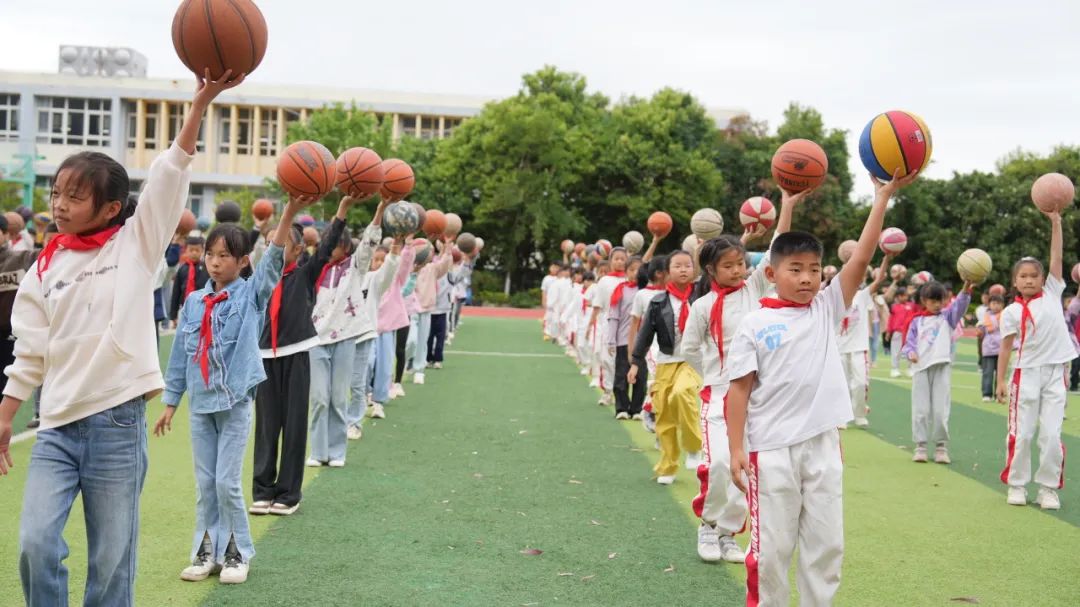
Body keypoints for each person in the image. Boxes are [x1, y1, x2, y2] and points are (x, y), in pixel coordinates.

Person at [0, 69, 241, 605]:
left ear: (110, 208)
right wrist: (5, 414)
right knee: (35, 544)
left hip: (116, 425)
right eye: (57, 192)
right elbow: (29, 351)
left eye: (75, 197)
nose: (59, 205)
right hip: (57, 425)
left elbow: (169, 176)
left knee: (111, 563)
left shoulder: (137, 246)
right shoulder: (44, 267)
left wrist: (199, 103)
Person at [725, 170, 918, 606]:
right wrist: (736, 449)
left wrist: (881, 198)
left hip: (823, 445)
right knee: (772, 551)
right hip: (770, 449)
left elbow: (860, 260)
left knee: (826, 546)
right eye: (796, 269)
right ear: (772, 273)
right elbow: (738, 390)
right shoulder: (756, 321)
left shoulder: (826, 308)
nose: (808, 278)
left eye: (815, 269)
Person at [156, 194, 308, 583]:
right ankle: (205, 552)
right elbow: (180, 358)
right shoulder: (193, 301)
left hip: (236, 401)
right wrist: (171, 402)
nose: (215, 261)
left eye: (225, 256)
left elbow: (274, 258)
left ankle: (237, 554)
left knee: (226, 482)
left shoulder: (250, 294)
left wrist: (288, 211)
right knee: (206, 484)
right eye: (211, 254)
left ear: (242, 262)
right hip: (201, 404)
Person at [680, 193, 805, 564]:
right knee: (720, 462)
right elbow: (689, 349)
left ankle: (727, 533)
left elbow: (776, 247)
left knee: (745, 467)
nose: (738, 271)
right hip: (719, 395)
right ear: (711, 272)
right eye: (729, 266)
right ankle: (707, 523)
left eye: (740, 263)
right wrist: (714, 378)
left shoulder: (754, 289)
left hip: (758, 397)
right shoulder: (702, 307)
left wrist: (787, 203)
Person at [250, 197, 347, 517]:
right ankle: (262, 490)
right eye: (268, 243)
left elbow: (326, 246)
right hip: (265, 356)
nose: (272, 248)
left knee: (293, 427)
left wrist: (342, 210)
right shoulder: (261, 280)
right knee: (266, 427)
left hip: (296, 355)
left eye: (279, 243)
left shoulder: (305, 274)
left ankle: (289, 493)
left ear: (295, 250)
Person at [996, 208, 1075, 510]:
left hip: (1055, 373)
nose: (1029, 280)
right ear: (1015, 281)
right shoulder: (1011, 312)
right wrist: (1000, 380)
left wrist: (1056, 222)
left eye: (1034, 275)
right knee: (1023, 432)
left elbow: (1056, 256)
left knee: (1052, 434)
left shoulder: (1053, 292)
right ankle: (1017, 484)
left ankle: (1048, 488)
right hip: (1025, 375)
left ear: (1044, 278)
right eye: (1023, 276)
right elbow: (1005, 348)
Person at [307, 197, 383, 466]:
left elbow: (369, 243)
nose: (330, 248)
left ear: (345, 245)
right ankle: (318, 452)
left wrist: (380, 209)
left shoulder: (355, 267)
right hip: (316, 339)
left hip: (345, 338)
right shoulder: (316, 267)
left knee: (339, 399)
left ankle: (337, 452)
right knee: (318, 398)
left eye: (336, 243)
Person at [628, 250, 702, 485]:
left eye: (688, 266)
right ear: (667, 272)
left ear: (695, 270)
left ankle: (693, 447)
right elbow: (644, 335)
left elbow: (716, 263)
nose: (683, 270)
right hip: (665, 361)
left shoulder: (702, 294)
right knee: (665, 416)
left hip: (693, 360)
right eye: (677, 266)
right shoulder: (658, 302)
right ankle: (668, 467)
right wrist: (635, 363)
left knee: (682, 394)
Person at [900, 279, 972, 463]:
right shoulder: (917, 321)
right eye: (932, 301)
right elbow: (909, 343)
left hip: (941, 367)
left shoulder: (947, 318)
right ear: (924, 300)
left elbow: (960, 306)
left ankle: (941, 447)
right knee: (921, 410)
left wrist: (966, 287)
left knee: (941, 410)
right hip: (921, 369)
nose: (937, 304)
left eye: (940, 300)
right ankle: (921, 446)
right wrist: (911, 353)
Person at [348, 238, 400, 429]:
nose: (375, 262)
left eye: (380, 259)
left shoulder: (374, 280)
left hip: (366, 334)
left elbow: (388, 271)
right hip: (343, 335)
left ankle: (357, 419)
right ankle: (355, 408)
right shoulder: (346, 277)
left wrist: (395, 252)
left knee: (369, 368)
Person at [839, 257, 890, 428]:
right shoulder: (833, 297)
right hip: (838, 349)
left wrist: (887, 258)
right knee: (841, 384)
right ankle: (842, 416)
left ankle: (859, 413)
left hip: (859, 347)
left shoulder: (862, 296)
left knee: (860, 383)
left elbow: (880, 279)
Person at [373, 233, 416, 405]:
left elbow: (405, 264)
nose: (379, 264)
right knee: (368, 365)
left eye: (383, 260)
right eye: (375, 260)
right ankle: (367, 394)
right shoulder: (366, 279)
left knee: (384, 367)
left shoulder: (395, 279)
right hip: (368, 331)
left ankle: (379, 400)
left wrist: (408, 246)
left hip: (386, 330)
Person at [410, 240, 453, 384]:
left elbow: (444, 266)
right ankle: (408, 361)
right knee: (411, 341)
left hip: (426, 309)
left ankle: (419, 370)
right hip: (411, 311)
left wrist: (447, 248)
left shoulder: (432, 268)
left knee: (422, 343)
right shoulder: (407, 267)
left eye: (429, 250)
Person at [607, 256, 645, 420]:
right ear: (626, 271)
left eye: (639, 270)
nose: (635, 273)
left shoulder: (646, 291)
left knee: (641, 377)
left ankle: (636, 409)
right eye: (631, 270)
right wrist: (611, 340)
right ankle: (621, 407)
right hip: (623, 340)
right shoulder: (620, 289)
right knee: (621, 375)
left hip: (643, 342)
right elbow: (614, 316)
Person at [591, 251, 629, 406]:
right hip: (608, 323)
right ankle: (608, 392)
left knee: (625, 361)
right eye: (616, 259)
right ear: (610, 261)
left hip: (626, 324)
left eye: (623, 259)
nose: (620, 262)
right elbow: (597, 305)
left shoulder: (631, 279)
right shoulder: (604, 280)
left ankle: (623, 394)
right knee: (607, 359)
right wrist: (592, 325)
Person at [170, 234, 210, 325]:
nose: (194, 253)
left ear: (202, 251)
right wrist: (173, 315)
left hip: (203, 306)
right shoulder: (182, 269)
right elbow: (176, 292)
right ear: (186, 250)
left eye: (197, 250)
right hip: (185, 308)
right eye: (191, 250)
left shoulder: (207, 268)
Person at [978, 294, 1005, 402]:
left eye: (999, 304)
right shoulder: (985, 317)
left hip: (1002, 349)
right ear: (989, 305)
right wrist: (979, 331)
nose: (996, 306)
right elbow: (980, 329)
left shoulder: (1005, 316)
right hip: (988, 349)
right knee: (987, 373)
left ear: (1003, 305)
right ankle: (987, 394)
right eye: (994, 303)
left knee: (1001, 374)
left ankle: (999, 394)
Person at [887, 288, 916, 377]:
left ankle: (910, 368)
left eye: (906, 295)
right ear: (898, 297)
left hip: (909, 332)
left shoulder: (911, 305)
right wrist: (889, 331)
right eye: (903, 295)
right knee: (896, 351)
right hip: (898, 332)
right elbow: (891, 320)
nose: (905, 297)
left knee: (911, 350)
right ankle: (895, 369)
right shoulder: (894, 307)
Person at [541, 262, 559, 340]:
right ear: (550, 268)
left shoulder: (559, 278)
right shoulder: (546, 278)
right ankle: (546, 333)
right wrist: (543, 301)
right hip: (549, 302)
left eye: (556, 267)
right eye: (553, 267)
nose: (554, 269)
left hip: (558, 302)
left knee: (556, 318)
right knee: (548, 317)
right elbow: (544, 291)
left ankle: (555, 334)